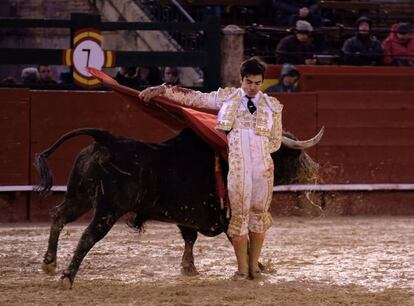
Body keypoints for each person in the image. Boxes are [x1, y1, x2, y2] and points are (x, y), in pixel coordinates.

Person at [139, 57, 283, 280]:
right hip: (238, 169)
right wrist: (164, 90)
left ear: (262, 82)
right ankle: (242, 270)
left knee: (258, 216)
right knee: (239, 216)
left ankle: (254, 268)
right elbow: (195, 98)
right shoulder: (227, 98)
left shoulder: (272, 106)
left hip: (263, 170)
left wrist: (257, 153)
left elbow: (275, 142)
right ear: (241, 80)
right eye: (249, 82)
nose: (253, 87)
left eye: (257, 83)